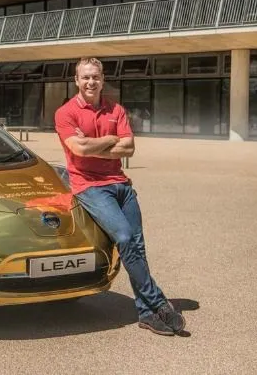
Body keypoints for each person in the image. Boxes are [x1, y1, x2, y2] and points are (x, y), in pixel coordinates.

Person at [53, 57, 186, 336]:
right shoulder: (66, 113)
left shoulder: (116, 109)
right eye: (85, 77)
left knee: (137, 246)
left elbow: (129, 149)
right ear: (77, 80)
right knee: (124, 237)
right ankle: (160, 301)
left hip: (121, 185)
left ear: (103, 79)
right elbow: (78, 150)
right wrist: (112, 139)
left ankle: (147, 313)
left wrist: (95, 145)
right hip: (89, 186)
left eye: (96, 77)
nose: (91, 82)